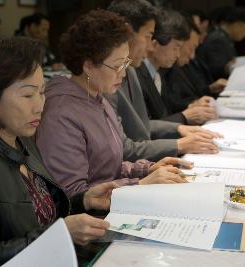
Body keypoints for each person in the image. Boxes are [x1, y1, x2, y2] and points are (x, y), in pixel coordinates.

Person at [0, 37, 119, 266]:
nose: (39, 105)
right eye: (27, 95)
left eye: (42, 92)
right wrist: (58, 235)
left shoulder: (22, 139)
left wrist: (84, 201)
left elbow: (40, 213)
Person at [36, 9, 189, 197]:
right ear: (88, 65)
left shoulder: (97, 95)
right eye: (117, 66)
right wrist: (140, 183)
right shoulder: (61, 113)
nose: (123, 74)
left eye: (125, 64)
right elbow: (72, 195)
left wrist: (146, 169)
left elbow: (109, 166)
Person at [105, 0, 220, 158]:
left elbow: (141, 127)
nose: (149, 45)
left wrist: (178, 128)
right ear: (127, 33)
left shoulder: (130, 70)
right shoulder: (105, 76)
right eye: (148, 36)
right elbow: (122, 148)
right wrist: (179, 144)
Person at [136, 9, 217, 125]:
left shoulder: (158, 73)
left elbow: (167, 108)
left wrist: (191, 106)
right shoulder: (136, 75)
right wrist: (184, 117)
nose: (178, 54)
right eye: (175, 48)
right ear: (154, 45)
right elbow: (143, 128)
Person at [161, 14, 227, 114]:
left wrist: (209, 89)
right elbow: (171, 105)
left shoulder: (178, 65)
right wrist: (192, 105)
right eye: (191, 48)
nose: (192, 56)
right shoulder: (167, 67)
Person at [197, 6, 245, 79]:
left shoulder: (224, 38)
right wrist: (228, 67)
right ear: (237, 25)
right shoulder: (218, 40)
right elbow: (215, 71)